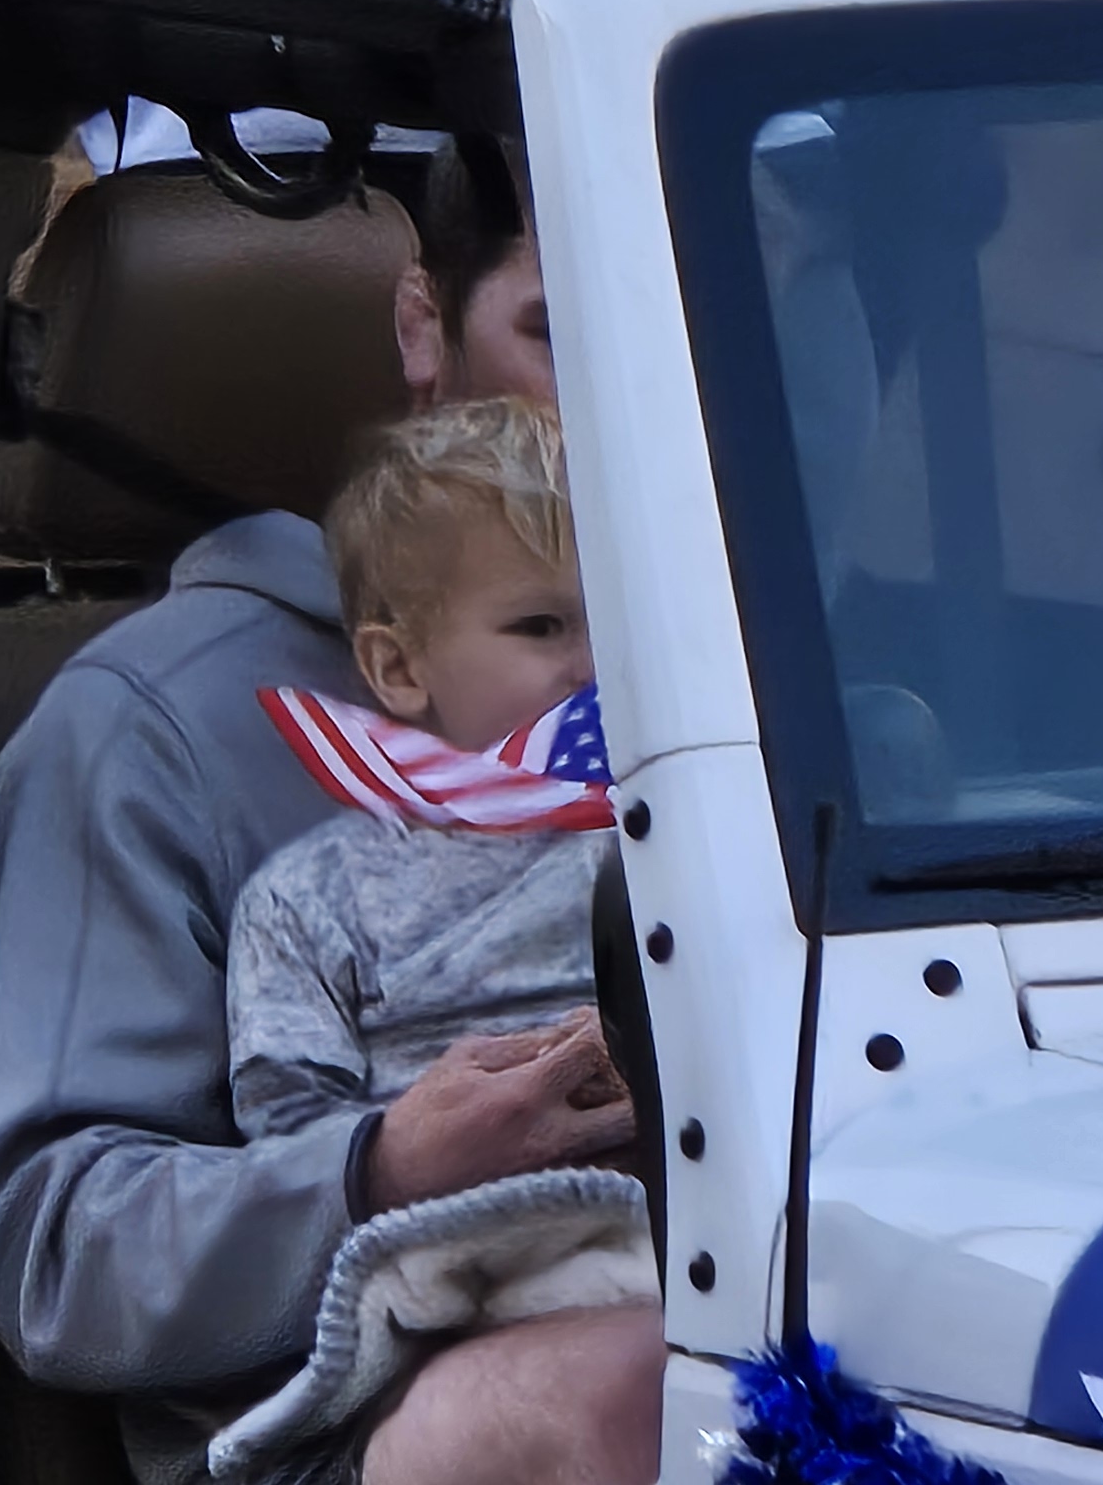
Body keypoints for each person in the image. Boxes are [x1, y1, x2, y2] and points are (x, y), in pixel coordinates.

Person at [0, 141, 644, 1485]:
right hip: (350, 1422)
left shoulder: (774, 667)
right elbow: (57, 1251)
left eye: (673, 330)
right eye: (567, 334)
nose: (629, 396)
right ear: (420, 325)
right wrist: (380, 1166)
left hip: (733, 1304)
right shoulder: (150, 728)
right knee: (623, 1386)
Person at [221, 402, 650, 1485]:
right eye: (542, 627)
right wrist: (420, 1146)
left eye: (619, 615)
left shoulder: (696, 838)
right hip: (456, 1273)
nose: (594, 665)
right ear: (400, 669)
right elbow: (294, 1135)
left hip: (692, 1213)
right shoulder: (315, 894)